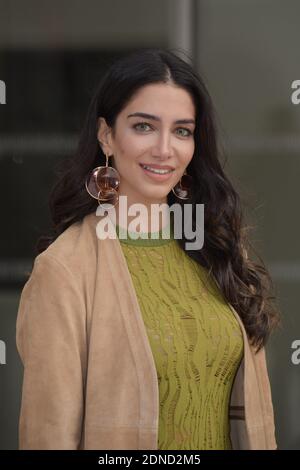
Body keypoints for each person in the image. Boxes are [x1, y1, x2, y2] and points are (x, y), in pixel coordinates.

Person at [16, 47, 281, 450]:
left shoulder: (216, 248)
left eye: (182, 131)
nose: (164, 149)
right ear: (107, 135)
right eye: (143, 126)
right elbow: (48, 437)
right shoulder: (65, 270)